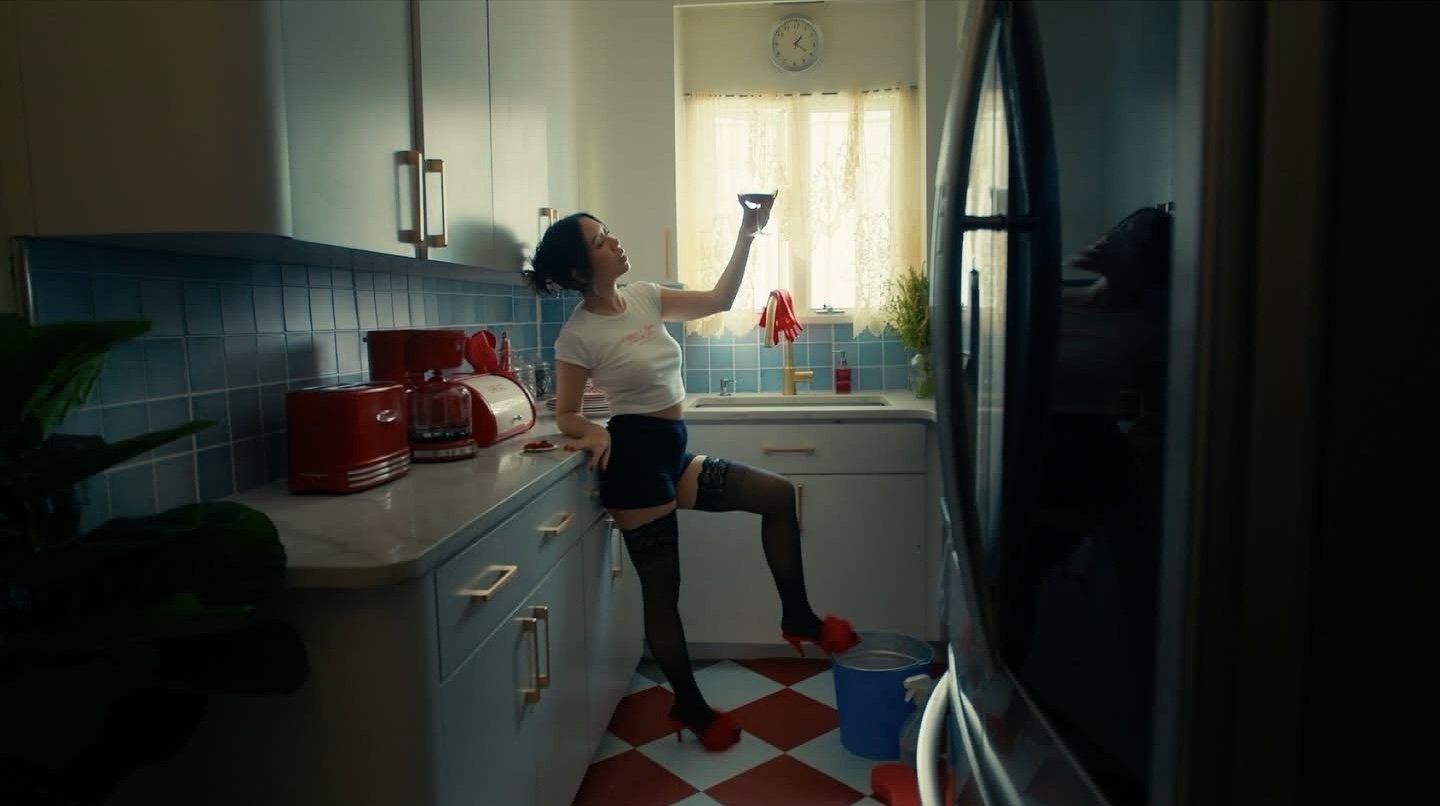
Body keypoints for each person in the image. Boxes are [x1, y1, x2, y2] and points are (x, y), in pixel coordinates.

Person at [524, 199, 859, 752]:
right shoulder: (577, 336)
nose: (615, 242)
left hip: (671, 455)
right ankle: (691, 705)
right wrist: (597, 431)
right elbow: (565, 413)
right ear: (581, 270)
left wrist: (747, 235)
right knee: (664, 594)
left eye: (609, 232)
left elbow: (720, 299)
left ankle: (798, 617)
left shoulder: (646, 297)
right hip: (633, 467)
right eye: (601, 241)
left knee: (776, 496)